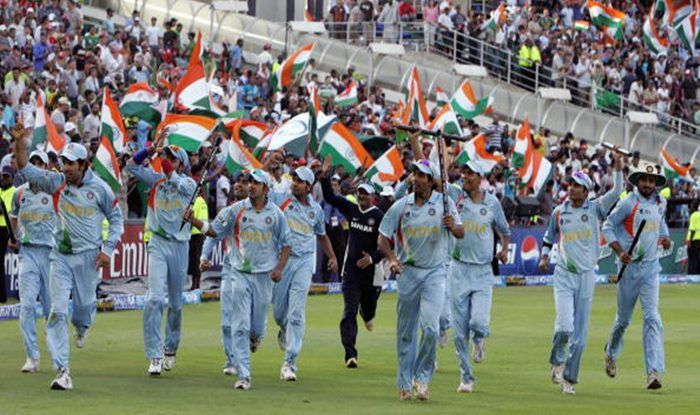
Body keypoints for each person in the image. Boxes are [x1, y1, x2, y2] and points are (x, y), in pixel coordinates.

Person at [13, 123, 124, 391]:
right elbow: (25, 169)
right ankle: (63, 370)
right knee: (58, 311)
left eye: (71, 164)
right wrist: (19, 143)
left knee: (84, 308)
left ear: (84, 164)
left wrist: (107, 250)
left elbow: (117, 219)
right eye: (63, 163)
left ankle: (83, 325)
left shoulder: (100, 189)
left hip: (88, 259)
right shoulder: (56, 182)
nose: (66, 168)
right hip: (59, 257)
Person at [186, 169, 290, 391]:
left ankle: (256, 337)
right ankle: (244, 374)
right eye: (249, 182)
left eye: (256, 182)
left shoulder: (277, 215)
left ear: (266, 188)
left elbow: (286, 244)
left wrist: (279, 268)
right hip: (239, 273)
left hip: (264, 276)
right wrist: (194, 220)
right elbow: (214, 231)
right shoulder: (236, 209)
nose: (251, 186)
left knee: (256, 326)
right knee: (238, 324)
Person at [378, 159, 463, 401]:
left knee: (430, 329)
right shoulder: (401, 206)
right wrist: (392, 259)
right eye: (414, 174)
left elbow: (461, 231)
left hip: (435, 273)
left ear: (431, 181)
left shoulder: (444, 204)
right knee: (406, 333)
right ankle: (404, 382)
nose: (416, 178)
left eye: (422, 175)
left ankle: (422, 379)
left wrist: (452, 226)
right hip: (408, 273)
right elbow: (383, 238)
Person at [539, 152, 623, 395]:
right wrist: (545, 257)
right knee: (564, 327)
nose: (571, 188)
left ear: (586, 191)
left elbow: (617, 193)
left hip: (587, 276)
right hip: (564, 274)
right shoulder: (558, 211)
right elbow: (548, 238)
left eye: (577, 186)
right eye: (570, 185)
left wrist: (617, 167)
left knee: (580, 336)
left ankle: (569, 379)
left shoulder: (595, 208)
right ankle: (557, 360)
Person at [125, 141, 196, 376]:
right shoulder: (156, 180)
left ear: (182, 164)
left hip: (179, 245)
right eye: (166, 158)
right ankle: (154, 354)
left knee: (175, 304)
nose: (167, 161)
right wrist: (150, 149)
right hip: (157, 242)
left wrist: (167, 166)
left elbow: (175, 178)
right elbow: (131, 166)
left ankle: (171, 346)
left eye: (173, 158)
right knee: (154, 298)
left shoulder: (188, 183)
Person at [602, 162, 671, 390]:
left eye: (652, 181)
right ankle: (611, 352)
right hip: (629, 269)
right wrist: (620, 252)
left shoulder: (660, 202)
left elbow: (661, 226)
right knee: (623, 321)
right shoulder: (628, 203)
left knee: (652, 317)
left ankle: (653, 372)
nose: (648, 184)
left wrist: (666, 238)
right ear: (637, 181)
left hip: (651, 269)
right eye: (644, 180)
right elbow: (607, 227)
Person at [268, 165, 338, 381]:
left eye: (299, 181)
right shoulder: (282, 199)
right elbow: (263, 191)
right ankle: (283, 327)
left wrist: (333, 256)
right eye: (294, 180)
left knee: (297, 312)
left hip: (305, 261)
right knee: (280, 313)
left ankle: (290, 362)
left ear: (308, 186)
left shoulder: (316, 210)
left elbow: (321, 234)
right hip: (283, 260)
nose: (294, 183)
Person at [447, 160, 510, 394]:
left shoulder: (492, 202)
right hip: (458, 269)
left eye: (469, 173)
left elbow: (504, 230)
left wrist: (503, 250)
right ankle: (466, 377)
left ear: (480, 177)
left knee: (478, 323)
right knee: (459, 331)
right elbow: (436, 176)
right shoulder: (455, 196)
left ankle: (480, 339)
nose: (464, 176)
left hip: (483, 271)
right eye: (463, 172)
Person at [319, 156, 385, 369]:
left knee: (368, 310)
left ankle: (368, 314)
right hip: (350, 273)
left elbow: (386, 246)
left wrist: (372, 258)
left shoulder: (379, 216)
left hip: (372, 275)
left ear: (373, 196)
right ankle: (350, 353)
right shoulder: (351, 209)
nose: (362, 196)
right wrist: (325, 175)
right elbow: (329, 196)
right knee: (349, 311)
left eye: (366, 193)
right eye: (360, 193)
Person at [9, 150, 55, 373]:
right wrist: (15, 236)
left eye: (40, 163)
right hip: (28, 254)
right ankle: (32, 357)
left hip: (50, 255)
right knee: (27, 306)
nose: (36, 168)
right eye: (32, 163)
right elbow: (14, 216)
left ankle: (57, 354)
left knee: (51, 310)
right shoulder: (19, 193)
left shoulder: (55, 192)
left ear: (45, 167)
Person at [200, 170, 249, 376]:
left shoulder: (263, 212)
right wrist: (204, 256)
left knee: (250, 322)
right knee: (227, 319)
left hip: (255, 272)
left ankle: (251, 342)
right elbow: (213, 234)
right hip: (231, 270)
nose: (238, 184)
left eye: (243, 182)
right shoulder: (228, 212)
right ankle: (232, 359)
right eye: (236, 181)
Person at [0, 164, 16, 303]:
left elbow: (8, 210)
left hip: (5, 228)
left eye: (7, 176)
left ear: (12, 178)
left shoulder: (14, 192)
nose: (4, 179)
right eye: (2, 176)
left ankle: (2, 296)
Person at [686, 201, 700, 275]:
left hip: (695, 239)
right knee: (698, 258)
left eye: (691, 206)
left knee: (692, 258)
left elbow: (692, 229)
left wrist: (689, 240)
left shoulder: (693, 215)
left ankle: (692, 274)